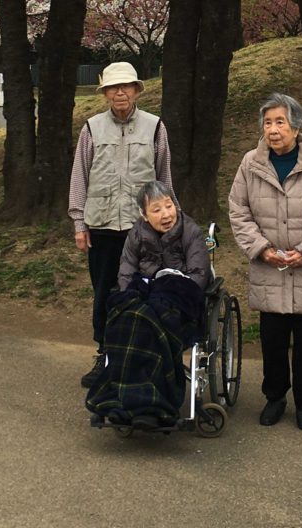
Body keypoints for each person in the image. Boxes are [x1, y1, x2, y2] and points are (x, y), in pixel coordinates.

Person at [228, 92, 302, 431]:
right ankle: (275, 397)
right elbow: (239, 210)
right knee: (272, 342)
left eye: (280, 122)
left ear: (295, 126)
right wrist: (260, 247)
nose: (273, 130)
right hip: (270, 266)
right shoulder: (251, 163)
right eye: (267, 123)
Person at [68, 60, 173, 387]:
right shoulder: (91, 128)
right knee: (104, 293)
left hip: (141, 229)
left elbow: (164, 177)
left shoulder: (155, 127)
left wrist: (167, 222)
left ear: (137, 90)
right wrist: (79, 223)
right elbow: (79, 178)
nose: (120, 93)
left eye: (126, 86)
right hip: (101, 229)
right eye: (113, 88)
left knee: (140, 292)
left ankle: (139, 356)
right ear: (105, 94)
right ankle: (106, 355)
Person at [86, 181, 210, 430]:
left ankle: (154, 406)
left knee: (152, 321)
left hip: (178, 296)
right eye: (156, 209)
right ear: (143, 214)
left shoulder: (191, 231)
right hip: (145, 294)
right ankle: (121, 401)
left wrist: (170, 284)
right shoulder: (136, 234)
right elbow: (125, 272)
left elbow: (199, 275)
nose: (166, 214)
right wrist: (132, 292)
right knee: (126, 317)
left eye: (169, 205)